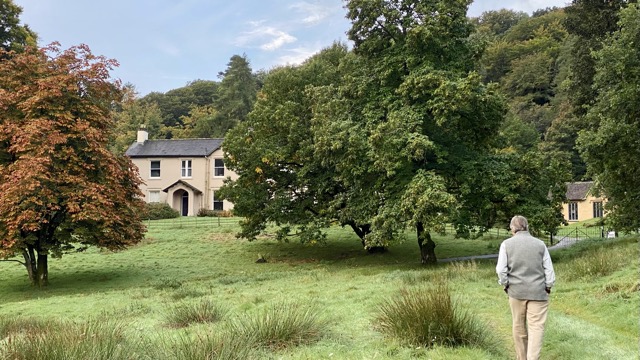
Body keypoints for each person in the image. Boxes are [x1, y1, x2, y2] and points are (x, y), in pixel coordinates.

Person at [496, 215, 556, 360]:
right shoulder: (540, 244)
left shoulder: (506, 244)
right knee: (536, 328)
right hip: (538, 292)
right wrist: (548, 286)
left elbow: (501, 270)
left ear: (512, 229)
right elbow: (549, 271)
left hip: (516, 292)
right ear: (527, 227)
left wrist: (505, 285)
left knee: (518, 326)